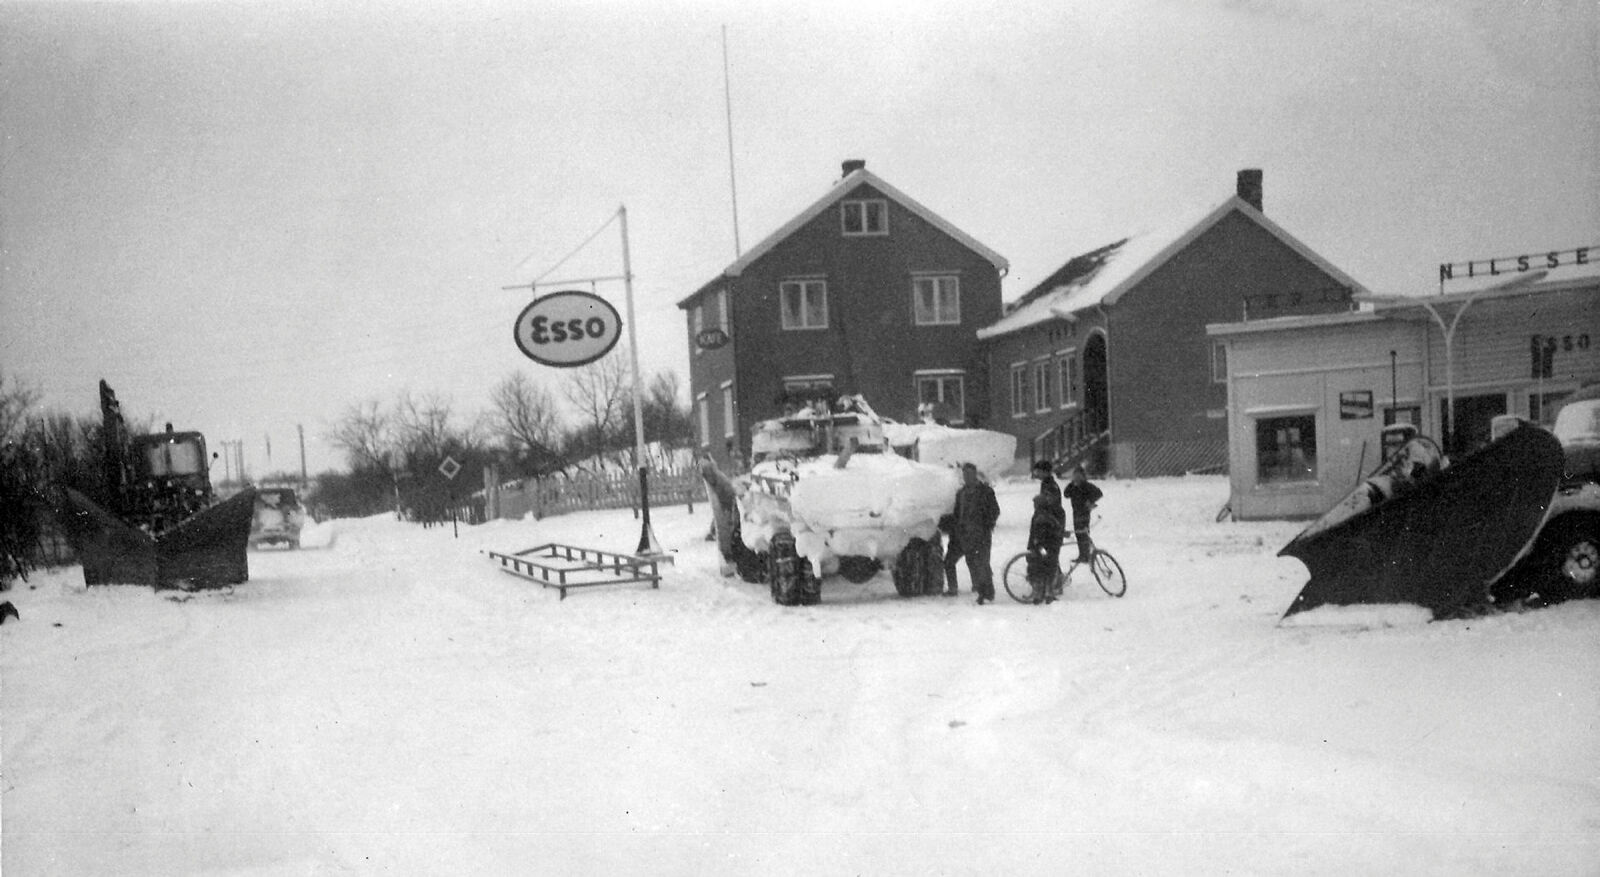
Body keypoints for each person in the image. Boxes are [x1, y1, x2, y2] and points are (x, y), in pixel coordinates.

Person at [949, 462, 1000, 604]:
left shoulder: (985, 491)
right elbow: (957, 513)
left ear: (975, 474)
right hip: (966, 534)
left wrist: (988, 525)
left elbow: (994, 510)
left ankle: (985, 593)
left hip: (981, 533)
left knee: (982, 562)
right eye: (965, 474)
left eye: (969, 474)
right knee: (972, 561)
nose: (967, 477)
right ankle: (982, 589)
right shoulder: (961, 493)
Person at [1025, 492, 1066, 604]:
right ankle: (1049, 592)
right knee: (1050, 569)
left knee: (1037, 569)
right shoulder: (1051, 514)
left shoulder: (1039, 516)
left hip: (1040, 546)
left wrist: (1032, 546)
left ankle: (1038, 593)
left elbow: (1033, 533)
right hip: (1052, 546)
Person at [1061, 464, 1103, 565]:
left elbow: (1099, 493)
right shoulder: (1073, 486)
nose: (1077, 478)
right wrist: (1072, 484)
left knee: (1083, 533)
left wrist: (1090, 501)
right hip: (1076, 512)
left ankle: (1086, 554)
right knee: (1078, 534)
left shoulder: (1087, 486)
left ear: (1083, 476)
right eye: (1075, 475)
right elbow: (1066, 494)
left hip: (1084, 512)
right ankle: (1082, 554)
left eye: (1079, 476)